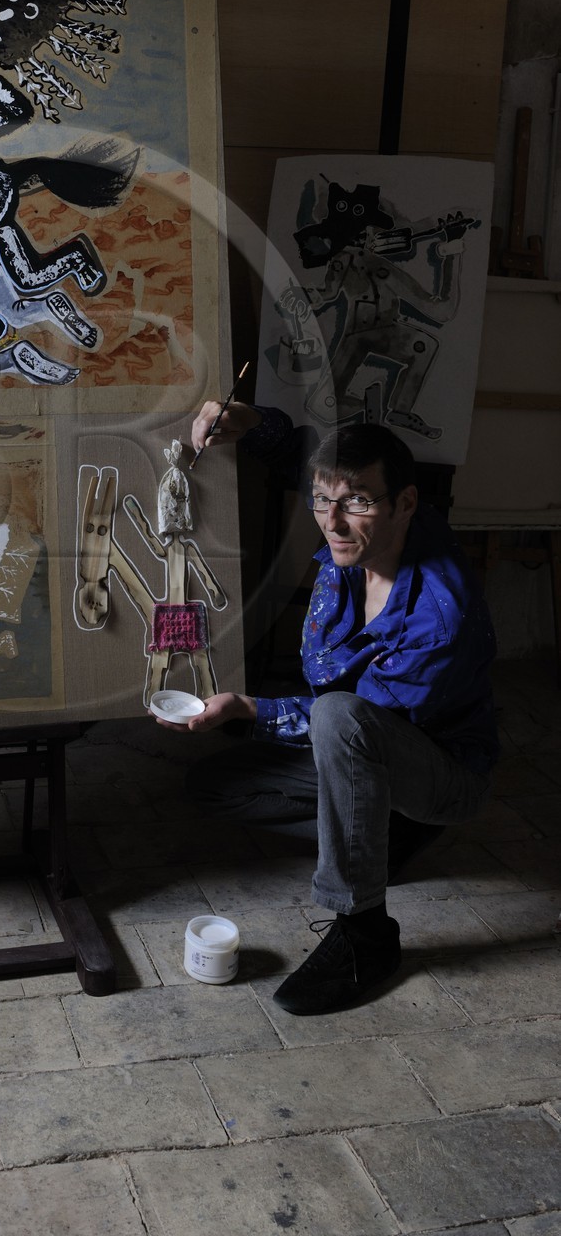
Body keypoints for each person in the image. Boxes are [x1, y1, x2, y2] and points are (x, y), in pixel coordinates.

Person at [165, 398, 498, 1016]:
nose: (334, 522)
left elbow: (350, 724)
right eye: (323, 501)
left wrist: (249, 708)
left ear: (405, 503)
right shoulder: (357, 520)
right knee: (216, 787)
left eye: (358, 504)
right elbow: (308, 458)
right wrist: (247, 423)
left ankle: (365, 932)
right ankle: (380, 834)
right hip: (363, 751)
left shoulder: (437, 617)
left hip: (438, 771)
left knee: (338, 717)